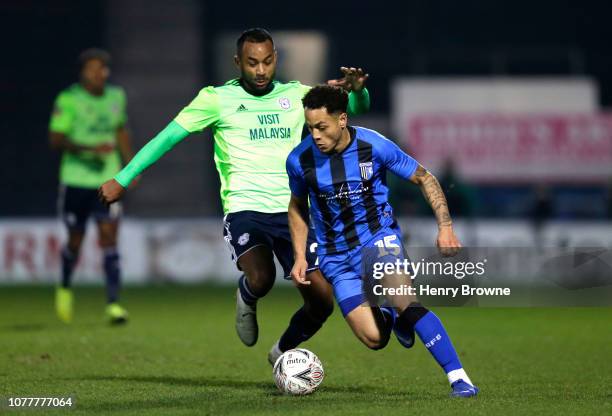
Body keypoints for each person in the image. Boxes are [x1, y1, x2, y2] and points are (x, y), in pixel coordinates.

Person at [98, 28, 371, 363]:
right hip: (245, 209)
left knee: (322, 300)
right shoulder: (215, 99)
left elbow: (347, 112)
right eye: (252, 62)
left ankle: (281, 352)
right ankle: (246, 295)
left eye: (267, 62)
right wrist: (123, 177)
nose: (260, 70)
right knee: (262, 276)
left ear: (276, 60)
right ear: (237, 62)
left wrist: (360, 93)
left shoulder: (297, 95)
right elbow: (166, 138)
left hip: (294, 211)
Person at [286, 85, 479, 397]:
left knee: (405, 299)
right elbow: (296, 207)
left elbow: (424, 177)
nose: (315, 135)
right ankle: (391, 315)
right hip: (335, 258)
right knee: (375, 339)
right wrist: (299, 256)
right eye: (310, 127)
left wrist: (445, 226)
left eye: (322, 127)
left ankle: (459, 378)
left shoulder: (373, 145)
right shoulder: (299, 160)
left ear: (342, 120)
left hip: (378, 239)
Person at [50, 48, 135, 324]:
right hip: (76, 181)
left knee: (109, 238)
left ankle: (113, 304)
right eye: (93, 69)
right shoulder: (69, 99)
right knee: (75, 241)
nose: (99, 74)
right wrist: (89, 148)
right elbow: (56, 139)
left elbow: (121, 130)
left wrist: (131, 166)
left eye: (103, 69)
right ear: (83, 72)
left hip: (107, 181)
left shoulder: (115, 96)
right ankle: (64, 287)